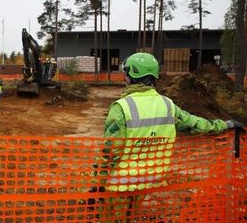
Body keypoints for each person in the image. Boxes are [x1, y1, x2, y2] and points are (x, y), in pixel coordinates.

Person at [97, 52, 244, 222]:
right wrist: (225, 125)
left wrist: (97, 184)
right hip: (149, 178)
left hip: (120, 183)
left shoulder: (121, 107)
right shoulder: (167, 105)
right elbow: (195, 124)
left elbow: (110, 153)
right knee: (131, 216)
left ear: (130, 75)